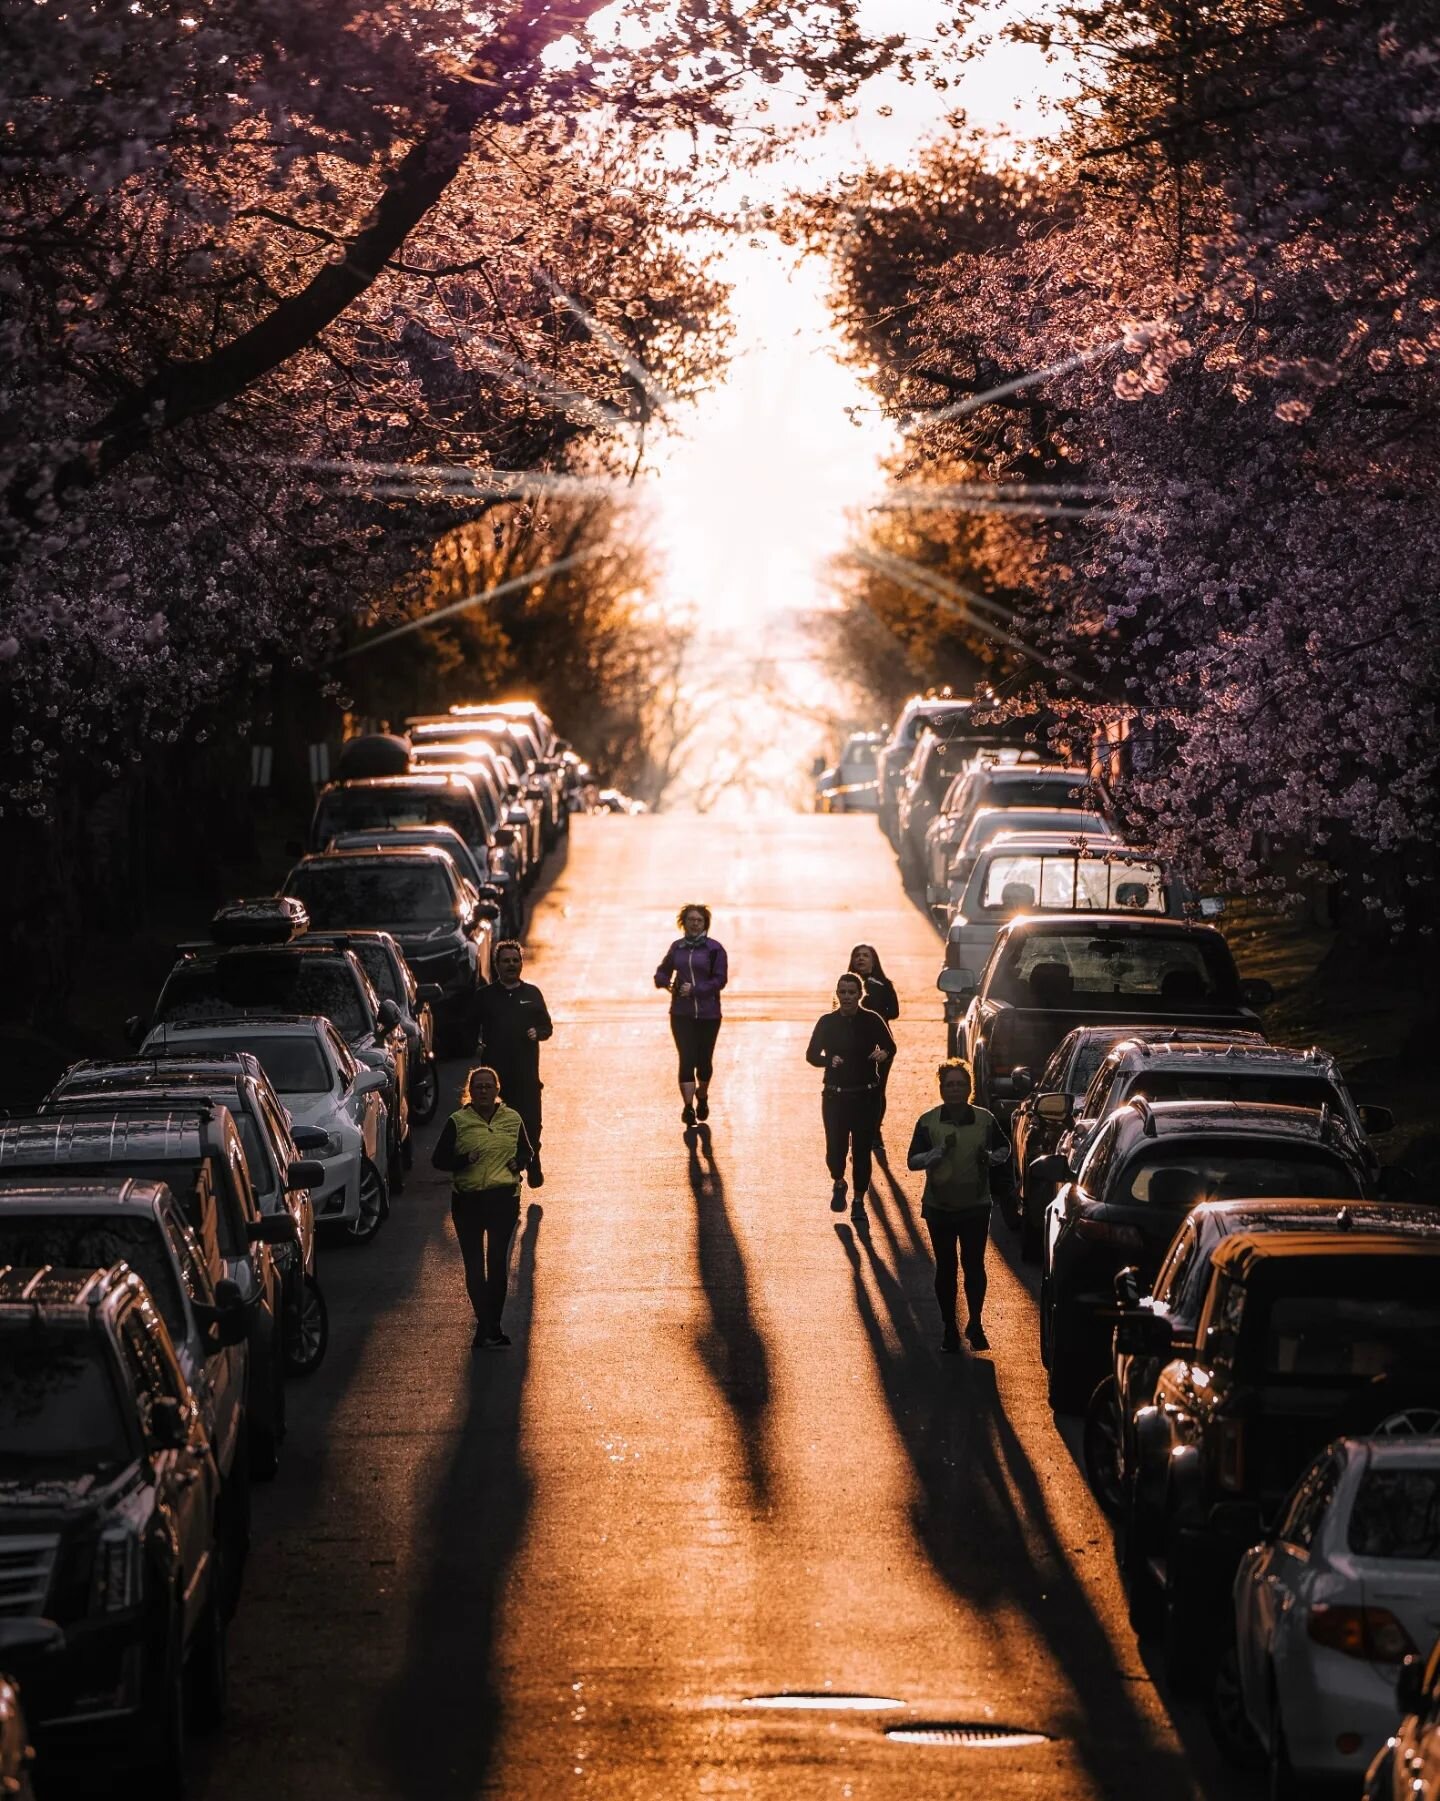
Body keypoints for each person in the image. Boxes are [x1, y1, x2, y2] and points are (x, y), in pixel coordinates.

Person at [907, 1059, 1010, 1353]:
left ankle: (975, 1322)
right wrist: (933, 1156)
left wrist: (991, 1158)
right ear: (941, 1089)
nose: (954, 1089)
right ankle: (949, 1327)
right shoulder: (928, 1121)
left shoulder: (985, 1119)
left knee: (974, 1266)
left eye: (960, 1084)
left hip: (976, 1205)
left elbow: (1005, 1148)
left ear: (969, 1088)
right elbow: (912, 1161)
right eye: (949, 1085)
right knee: (946, 1268)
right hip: (939, 1207)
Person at [432, 1065, 534, 1349]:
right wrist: (464, 1159)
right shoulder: (458, 1121)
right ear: (470, 1091)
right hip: (468, 1201)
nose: (484, 1091)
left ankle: (493, 1326)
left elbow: (527, 1150)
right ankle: (486, 1325)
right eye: (479, 1087)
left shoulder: (512, 1119)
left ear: (497, 1090)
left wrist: (520, 1162)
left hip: (503, 1199)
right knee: (475, 1266)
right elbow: (438, 1160)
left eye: (489, 1086)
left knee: (497, 1263)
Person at [806, 972, 895, 1212]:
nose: (846, 997)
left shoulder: (872, 1020)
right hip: (835, 1096)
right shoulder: (827, 1022)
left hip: (866, 1096)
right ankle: (838, 1181)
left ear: (859, 995)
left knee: (862, 1150)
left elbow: (890, 1046)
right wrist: (828, 1060)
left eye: (851, 992)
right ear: (837, 994)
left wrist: (883, 1053)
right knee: (835, 1149)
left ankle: (858, 1201)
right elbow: (811, 1055)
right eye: (842, 992)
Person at [475, 940, 553, 1186]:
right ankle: (509, 1172)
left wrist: (537, 1032)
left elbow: (547, 1026)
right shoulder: (485, 997)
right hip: (495, 1077)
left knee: (530, 1121)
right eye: (506, 961)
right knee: (499, 1124)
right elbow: (469, 1027)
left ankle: (533, 1159)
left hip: (526, 1074)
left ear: (521, 963)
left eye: (515, 960)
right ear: (496, 965)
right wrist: (476, 1044)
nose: (511, 965)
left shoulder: (531, 994)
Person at [654, 903, 728, 1127]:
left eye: (699, 920)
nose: (695, 924)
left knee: (703, 1061)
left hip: (709, 1014)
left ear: (705, 924)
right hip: (681, 1013)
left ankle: (702, 1096)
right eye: (691, 920)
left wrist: (695, 990)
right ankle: (687, 1107)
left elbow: (720, 980)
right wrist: (665, 982)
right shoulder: (677, 948)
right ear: (683, 923)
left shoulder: (715, 949)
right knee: (686, 1059)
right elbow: (663, 970)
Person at [847, 943, 899, 1152]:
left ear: (873, 960)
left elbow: (894, 1012)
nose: (860, 959)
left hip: (880, 1046)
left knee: (877, 1090)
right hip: (851, 1047)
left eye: (865, 956)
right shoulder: (847, 986)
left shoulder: (883, 984)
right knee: (853, 1091)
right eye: (857, 955)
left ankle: (875, 1132)